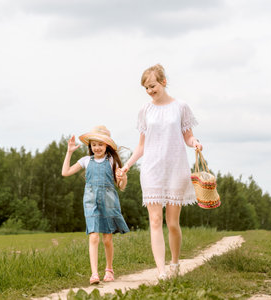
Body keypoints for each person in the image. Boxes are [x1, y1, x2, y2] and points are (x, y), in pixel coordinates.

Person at [119, 64, 203, 280]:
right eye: (146, 88)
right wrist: (127, 165)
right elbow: (141, 146)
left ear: (163, 82)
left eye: (153, 86)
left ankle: (175, 264)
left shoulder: (181, 107)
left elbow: (188, 137)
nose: (150, 91)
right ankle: (161, 271)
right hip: (151, 169)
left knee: (173, 223)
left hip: (176, 168)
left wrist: (195, 143)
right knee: (155, 221)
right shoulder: (145, 111)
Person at [62, 125, 130, 285]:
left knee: (107, 238)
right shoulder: (86, 161)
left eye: (100, 144)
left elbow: (121, 186)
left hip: (109, 202)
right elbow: (65, 172)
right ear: (90, 146)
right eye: (94, 144)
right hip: (90, 202)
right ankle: (94, 273)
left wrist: (123, 177)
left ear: (107, 145)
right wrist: (69, 152)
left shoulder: (112, 161)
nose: (97, 148)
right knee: (93, 236)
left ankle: (109, 269)